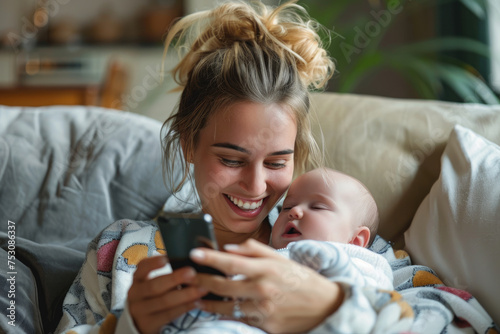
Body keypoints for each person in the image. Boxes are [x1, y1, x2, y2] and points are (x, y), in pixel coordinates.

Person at [56, 1, 413, 333]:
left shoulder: (344, 241)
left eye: (276, 162)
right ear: (188, 144)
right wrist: (127, 327)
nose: (256, 186)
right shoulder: (118, 250)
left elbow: (451, 316)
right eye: (231, 160)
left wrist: (334, 306)